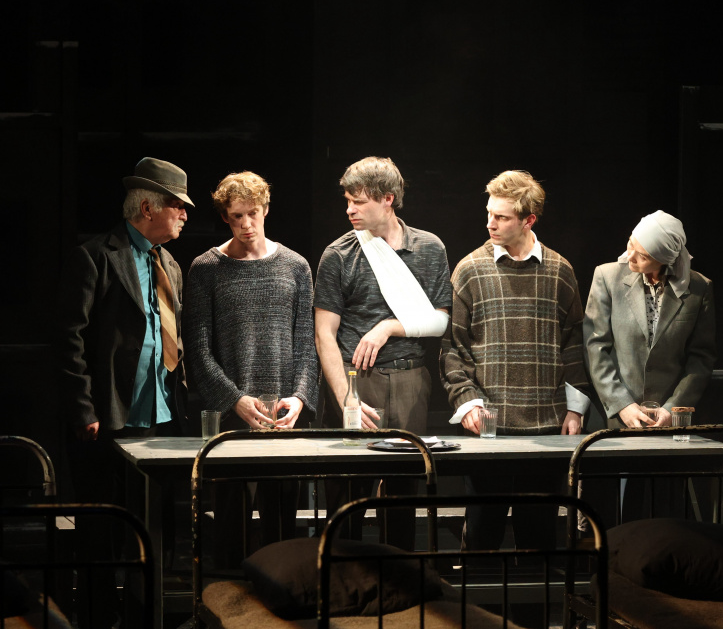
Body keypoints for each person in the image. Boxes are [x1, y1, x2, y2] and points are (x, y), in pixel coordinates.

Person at [57, 156, 192, 627]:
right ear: (148, 206)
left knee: (154, 530)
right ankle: (98, 618)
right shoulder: (95, 255)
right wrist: (83, 409)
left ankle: (145, 615)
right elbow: (69, 340)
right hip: (107, 422)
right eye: (177, 205)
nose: (184, 215)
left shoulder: (170, 263)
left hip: (160, 422)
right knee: (100, 532)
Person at [441, 170, 592, 554]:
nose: (490, 223)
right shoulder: (470, 269)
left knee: (539, 540)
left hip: (547, 428)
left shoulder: (559, 270)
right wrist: (467, 402)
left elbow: (574, 345)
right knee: (482, 537)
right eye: (489, 213)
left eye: (501, 217)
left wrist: (576, 407)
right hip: (489, 427)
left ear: (529, 220)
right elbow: (453, 347)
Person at [314, 156, 451, 550]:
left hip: (410, 380)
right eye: (347, 200)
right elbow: (324, 334)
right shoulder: (339, 254)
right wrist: (346, 398)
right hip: (357, 381)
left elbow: (440, 321)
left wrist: (389, 326)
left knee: (403, 492)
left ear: (387, 199)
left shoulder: (429, 247)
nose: (349, 209)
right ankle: (343, 572)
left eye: (359, 202)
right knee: (348, 493)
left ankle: (399, 576)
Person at [182, 171, 318, 566]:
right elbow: (198, 350)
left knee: (283, 533)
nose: (246, 224)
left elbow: (306, 344)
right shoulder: (206, 268)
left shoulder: (295, 265)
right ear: (225, 217)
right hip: (232, 420)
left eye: (252, 213)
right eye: (236, 216)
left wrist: (300, 398)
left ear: (266, 209)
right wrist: (234, 400)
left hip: (284, 419)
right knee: (231, 530)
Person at [584, 210, 716, 429]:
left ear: (664, 260)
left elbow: (701, 358)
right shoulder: (607, 278)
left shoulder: (699, 289)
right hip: (620, 419)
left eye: (643, 256)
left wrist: (673, 408)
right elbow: (595, 346)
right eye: (630, 244)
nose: (630, 257)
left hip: (671, 421)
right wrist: (622, 404)